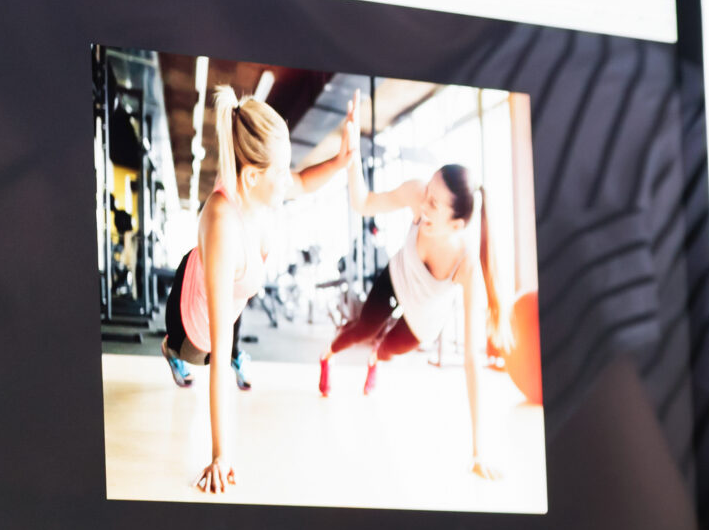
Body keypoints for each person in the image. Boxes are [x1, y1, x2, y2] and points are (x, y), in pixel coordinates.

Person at [162, 84, 351, 494]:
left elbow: (301, 182)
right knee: (201, 353)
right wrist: (219, 455)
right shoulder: (225, 226)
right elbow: (218, 351)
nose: (288, 179)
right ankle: (168, 350)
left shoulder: (261, 188)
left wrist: (340, 160)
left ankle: (220, 347)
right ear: (252, 176)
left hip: (232, 285)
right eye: (280, 173)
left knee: (234, 309)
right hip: (190, 310)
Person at [321, 91, 501, 482]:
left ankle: (373, 363)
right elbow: (364, 201)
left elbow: (472, 359)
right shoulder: (418, 193)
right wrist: (349, 152)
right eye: (428, 194)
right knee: (363, 331)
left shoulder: (468, 266)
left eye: (435, 206)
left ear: (459, 225)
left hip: (423, 321)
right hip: (395, 278)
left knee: (385, 351)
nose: (423, 207)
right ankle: (327, 355)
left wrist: (478, 450)